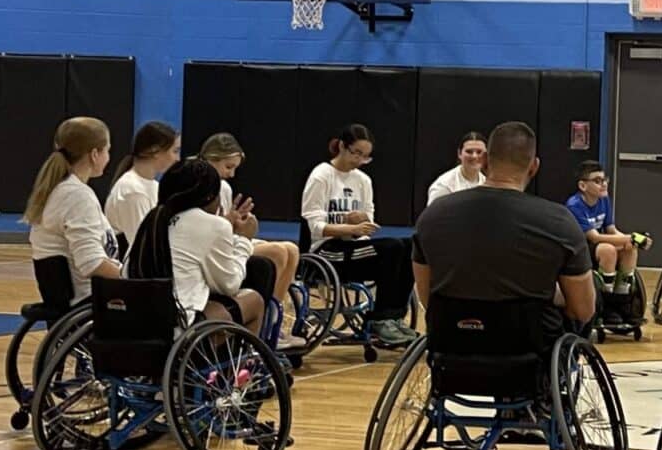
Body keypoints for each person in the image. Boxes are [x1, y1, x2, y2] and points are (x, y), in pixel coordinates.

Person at [412, 121, 596, 342]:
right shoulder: (559, 222)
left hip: (453, 341)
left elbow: (426, 298)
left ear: (485, 161)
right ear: (534, 167)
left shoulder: (432, 216)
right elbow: (583, 311)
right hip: (527, 345)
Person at [301, 123, 416, 347]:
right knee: (391, 247)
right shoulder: (322, 175)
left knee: (410, 245)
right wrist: (349, 228)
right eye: (356, 153)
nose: (359, 160)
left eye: (365, 157)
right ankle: (379, 320)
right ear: (342, 147)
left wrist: (362, 221)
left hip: (353, 248)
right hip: (326, 250)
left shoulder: (363, 181)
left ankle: (393, 315)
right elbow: (314, 225)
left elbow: (369, 221)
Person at [127, 158, 263, 334]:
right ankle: (244, 360)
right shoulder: (211, 225)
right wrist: (244, 240)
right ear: (209, 196)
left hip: (131, 320)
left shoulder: (151, 219)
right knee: (254, 300)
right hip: (175, 328)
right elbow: (229, 286)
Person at [198, 132, 301, 339]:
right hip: (214, 248)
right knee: (277, 252)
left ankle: (273, 324)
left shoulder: (224, 187)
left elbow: (225, 227)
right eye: (228, 167)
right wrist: (232, 225)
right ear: (210, 160)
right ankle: (263, 328)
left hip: (226, 241)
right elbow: (209, 230)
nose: (232, 174)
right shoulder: (197, 187)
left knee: (292, 249)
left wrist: (236, 221)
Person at [23, 117, 123, 302]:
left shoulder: (58, 190)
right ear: (95, 154)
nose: (109, 157)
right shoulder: (77, 196)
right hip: (89, 302)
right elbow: (91, 263)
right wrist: (131, 277)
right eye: (107, 150)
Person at [566, 160, 645, 289]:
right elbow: (594, 237)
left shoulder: (603, 200)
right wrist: (629, 237)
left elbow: (611, 229)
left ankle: (623, 292)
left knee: (630, 248)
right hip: (579, 248)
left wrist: (631, 240)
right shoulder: (574, 205)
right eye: (597, 181)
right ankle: (606, 295)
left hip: (596, 244)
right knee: (608, 250)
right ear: (583, 186)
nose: (604, 184)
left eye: (604, 180)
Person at [104, 121, 178, 243]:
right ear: (155, 151)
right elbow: (142, 246)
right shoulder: (132, 191)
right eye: (174, 151)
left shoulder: (154, 186)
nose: (177, 159)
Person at [427, 132, 487, 205]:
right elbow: (432, 215)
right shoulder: (444, 185)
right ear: (459, 153)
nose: (474, 156)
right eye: (469, 152)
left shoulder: (487, 183)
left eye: (479, 152)